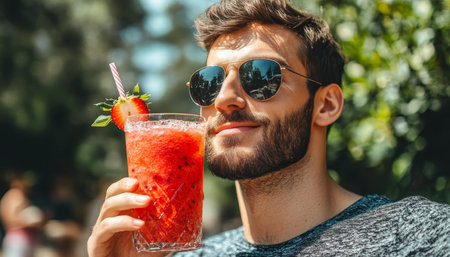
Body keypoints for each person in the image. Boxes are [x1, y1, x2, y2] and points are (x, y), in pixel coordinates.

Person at [87, 0, 450, 256]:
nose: (225, 99)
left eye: (260, 76)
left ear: (326, 105)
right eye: (209, 82)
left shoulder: (420, 237)